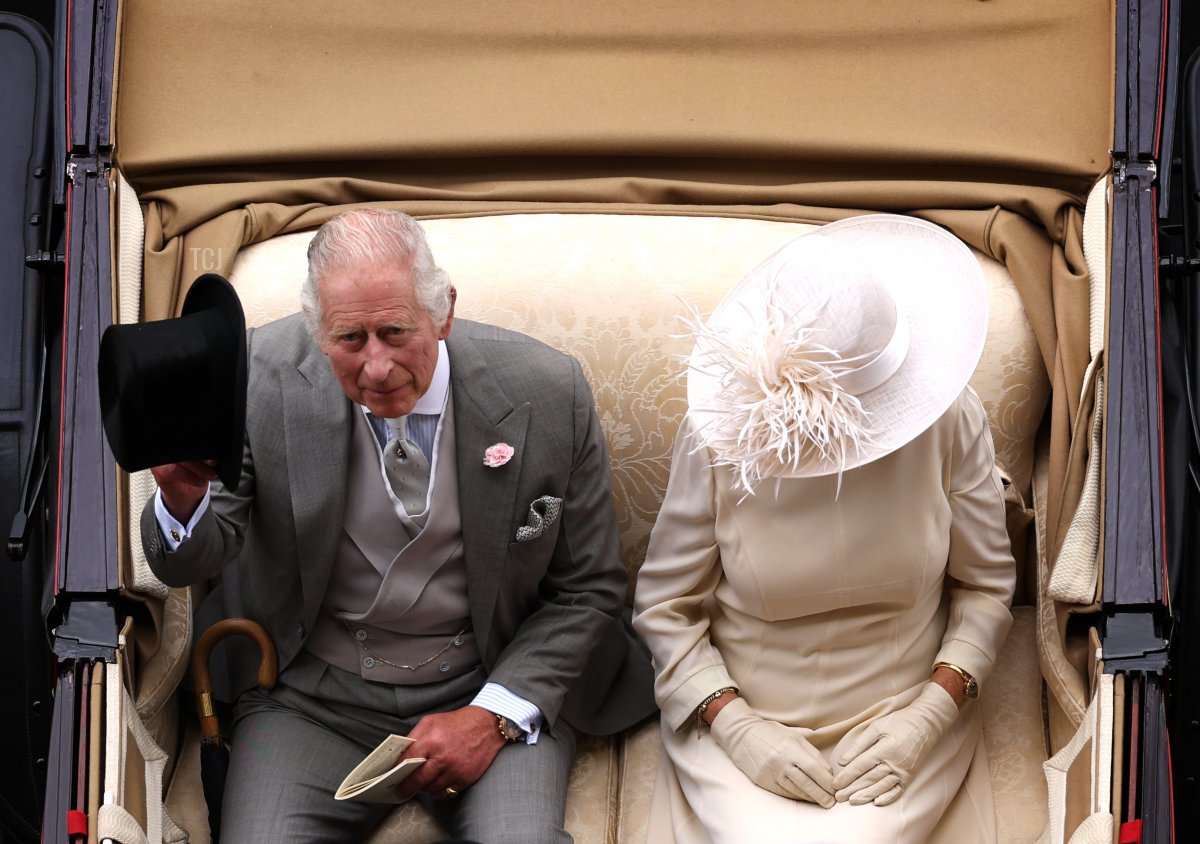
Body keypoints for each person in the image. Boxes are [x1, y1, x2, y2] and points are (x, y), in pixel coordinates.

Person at [142, 208, 654, 843]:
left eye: (395, 331)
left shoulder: (550, 391)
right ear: (314, 328)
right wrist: (181, 500)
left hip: (485, 682)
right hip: (307, 700)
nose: (377, 367)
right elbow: (191, 561)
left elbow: (589, 589)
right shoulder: (257, 379)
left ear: (443, 312)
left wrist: (492, 716)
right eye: (349, 340)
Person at [632, 214, 1016, 843]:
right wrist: (734, 725)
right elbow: (667, 607)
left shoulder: (951, 419)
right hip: (751, 711)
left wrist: (933, 711)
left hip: (902, 707)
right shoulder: (716, 434)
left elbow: (986, 587)